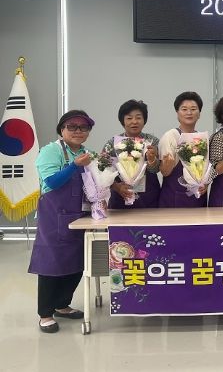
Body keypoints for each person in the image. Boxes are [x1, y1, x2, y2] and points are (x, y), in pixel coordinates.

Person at [28, 110, 95, 333]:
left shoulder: (87, 153)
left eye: (83, 127)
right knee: (51, 264)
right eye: (72, 127)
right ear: (61, 130)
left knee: (76, 263)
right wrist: (74, 165)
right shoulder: (51, 151)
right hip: (53, 216)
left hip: (80, 216)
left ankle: (62, 305)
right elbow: (52, 182)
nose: (78, 131)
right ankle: (45, 314)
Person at [102, 100, 160, 209]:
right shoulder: (112, 143)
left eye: (138, 118)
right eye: (129, 118)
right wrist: (116, 187)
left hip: (149, 196)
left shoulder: (152, 141)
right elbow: (103, 170)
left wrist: (152, 160)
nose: (134, 121)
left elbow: (156, 169)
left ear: (144, 120)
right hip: (120, 196)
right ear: (122, 121)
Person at [158, 91, 207, 207]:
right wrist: (167, 165)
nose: (189, 113)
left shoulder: (202, 138)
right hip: (174, 198)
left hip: (198, 198)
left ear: (199, 114)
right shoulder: (171, 136)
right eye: (184, 109)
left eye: (193, 109)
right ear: (177, 113)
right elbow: (164, 172)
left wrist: (206, 185)